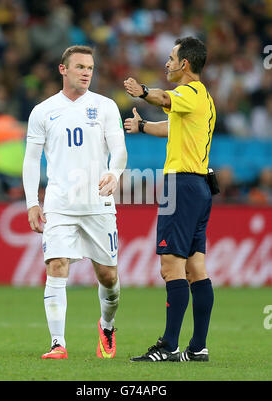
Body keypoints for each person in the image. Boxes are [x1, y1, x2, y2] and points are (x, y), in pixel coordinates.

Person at [22, 45, 127, 360]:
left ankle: (106, 326)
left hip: (98, 203)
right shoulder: (43, 111)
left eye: (90, 68)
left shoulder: (106, 106)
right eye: (80, 67)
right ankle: (58, 343)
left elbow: (119, 149)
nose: (86, 73)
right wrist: (31, 201)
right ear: (62, 69)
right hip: (59, 204)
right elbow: (31, 160)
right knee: (56, 266)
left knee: (108, 277)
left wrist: (115, 172)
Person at [124, 36, 216, 362]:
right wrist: (144, 126)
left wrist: (144, 92)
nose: (167, 63)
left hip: (181, 186)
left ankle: (170, 346)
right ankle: (198, 347)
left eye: (171, 57)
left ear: (184, 64)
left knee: (170, 265)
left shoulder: (187, 92)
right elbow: (172, 127)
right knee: (195, 266)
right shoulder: (201, 99)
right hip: (200, 186)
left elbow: (164, 97)